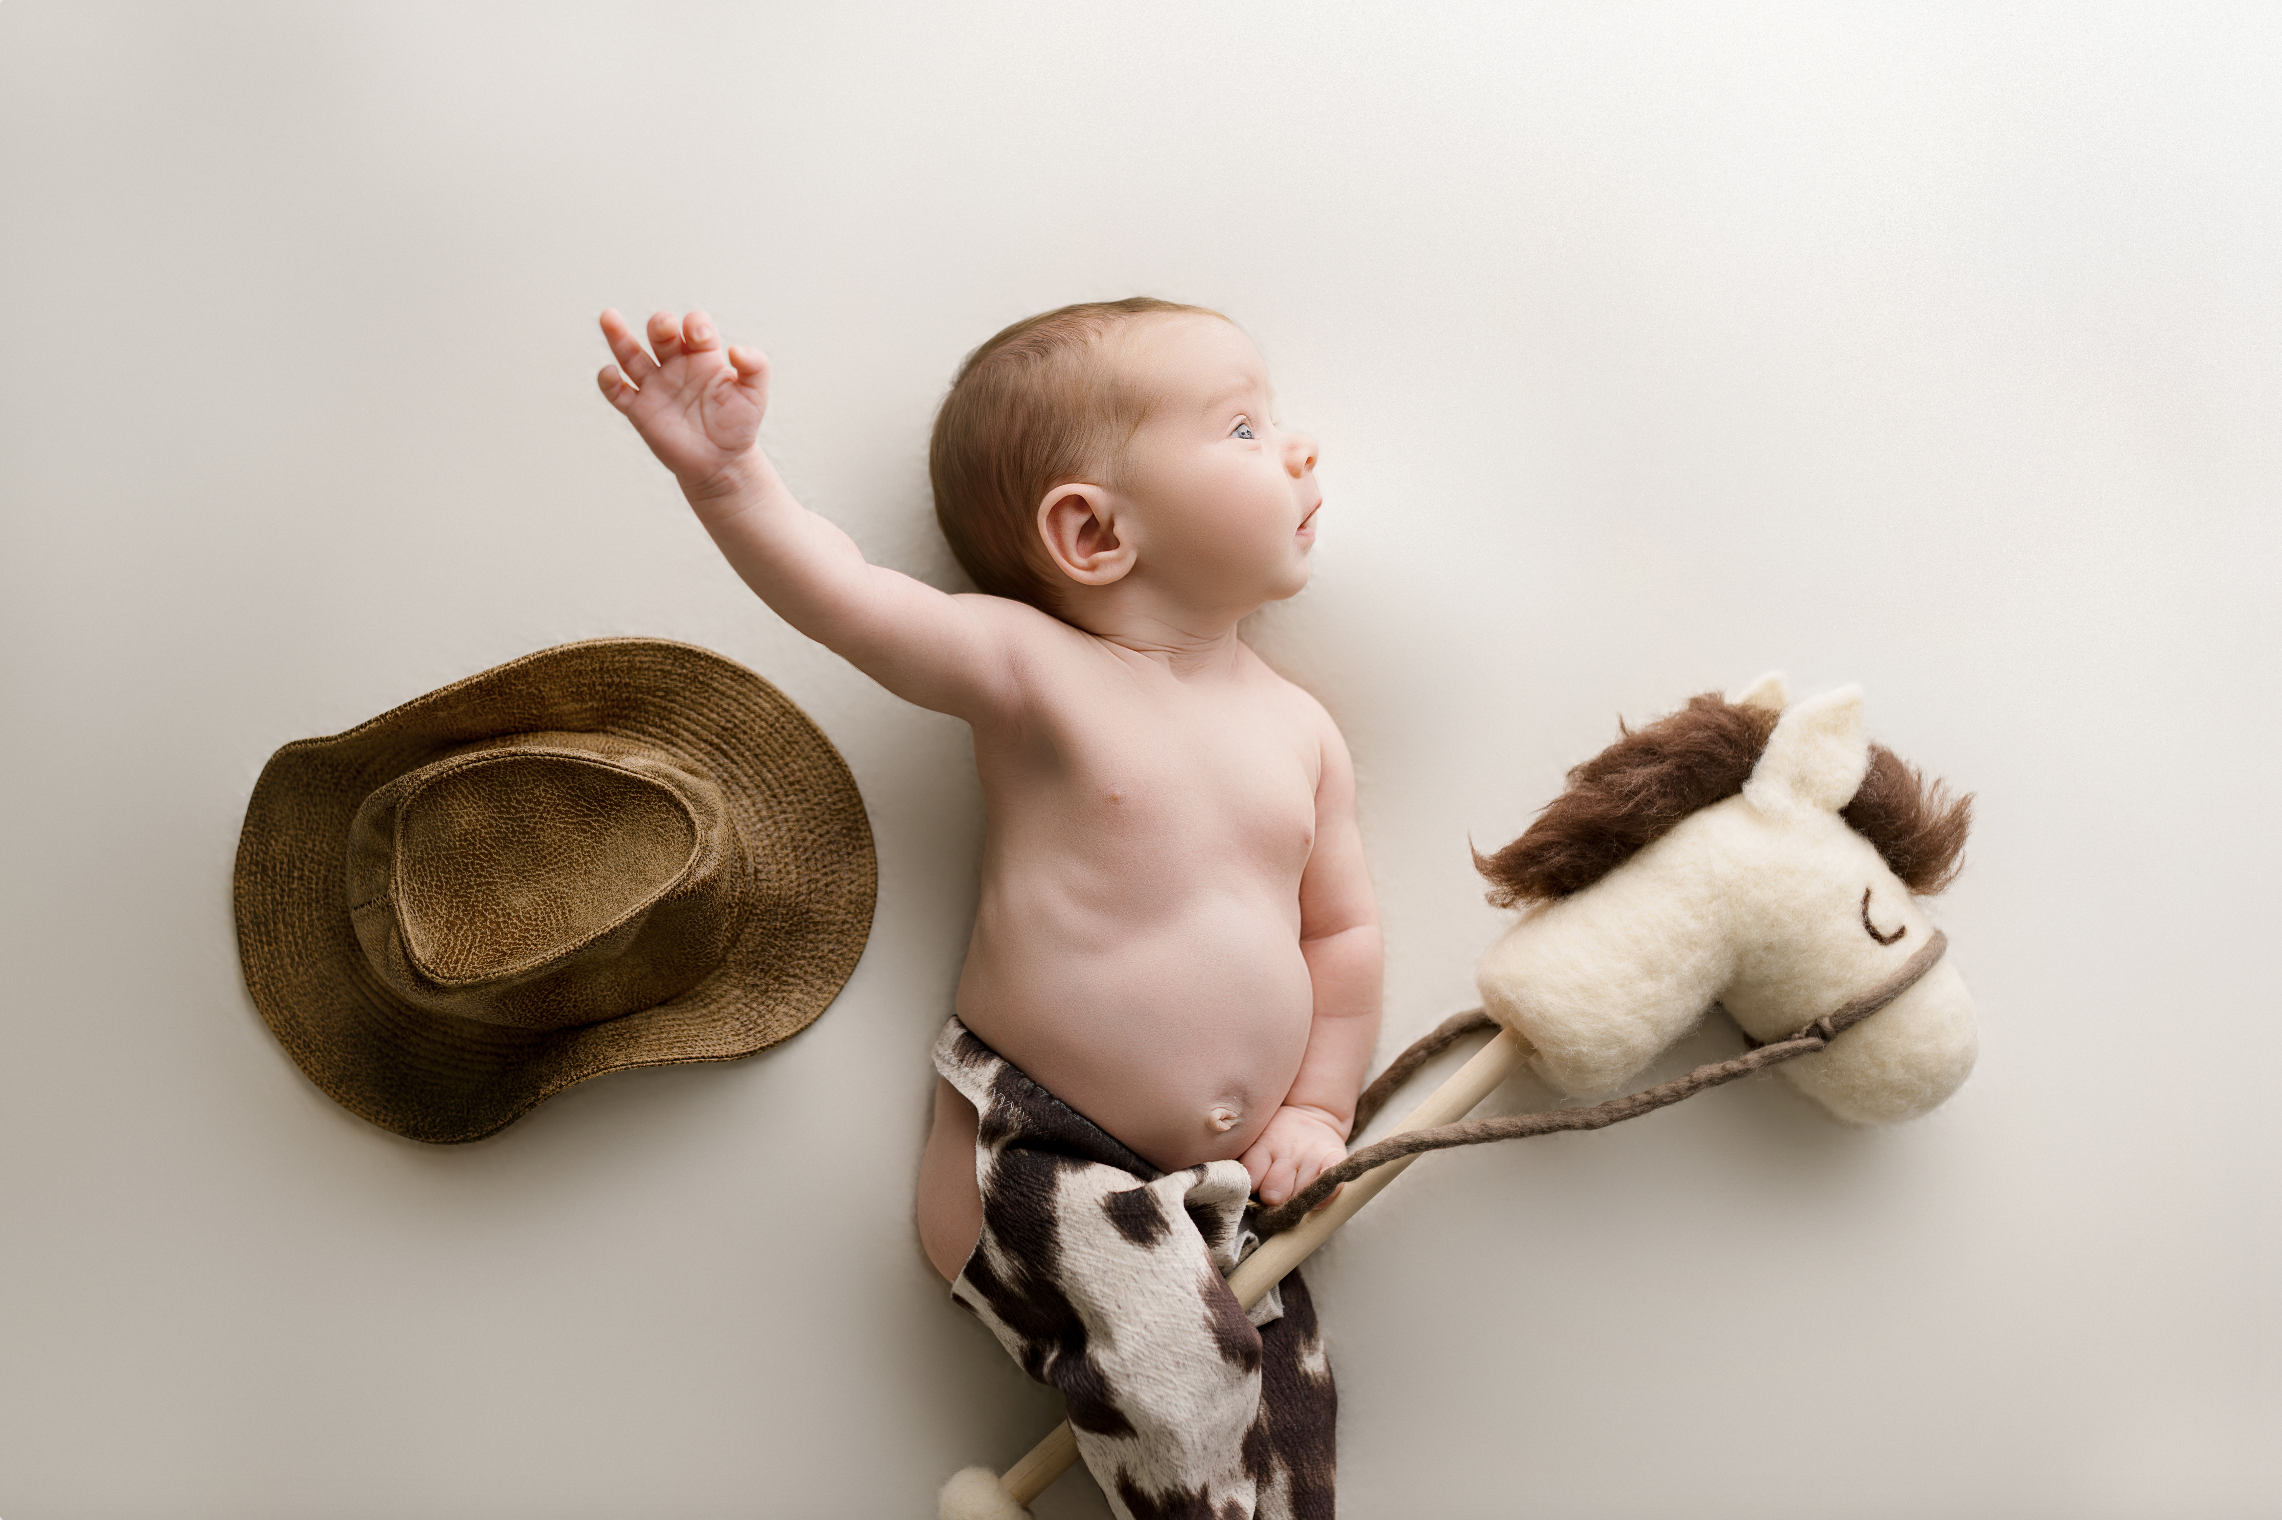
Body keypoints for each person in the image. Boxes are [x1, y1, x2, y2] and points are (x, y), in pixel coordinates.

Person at [597, 298, 1375, 1517]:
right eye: (1239, 427)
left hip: (1218, 1193)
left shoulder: (1300, 728)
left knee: (1289, 1424)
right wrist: (731, 477)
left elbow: (1338, 933)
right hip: (1035, 1149)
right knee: (1183, 1379)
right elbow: (849, 600)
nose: (1296, 449)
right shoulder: (1038, 671)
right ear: (1090, 530)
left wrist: (1321, 1103)